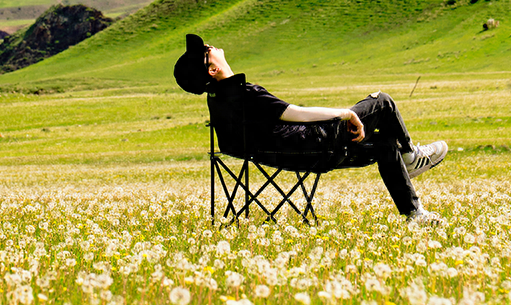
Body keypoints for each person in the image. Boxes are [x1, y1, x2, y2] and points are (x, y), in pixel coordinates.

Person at [173, 33, 448, 227]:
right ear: (211, 70)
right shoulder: (245, 94)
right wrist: (346, 113)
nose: (211, 46)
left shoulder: (219, 102)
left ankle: (415, 213)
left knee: (385, 142)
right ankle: (412, 157)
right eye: (207, 51)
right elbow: (295, 113)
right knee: (382, 101)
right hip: (316, 146)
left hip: (292, 155)